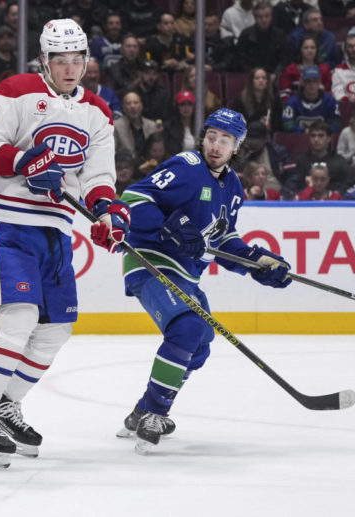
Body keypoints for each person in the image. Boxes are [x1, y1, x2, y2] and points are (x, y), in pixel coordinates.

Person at [0, 19, 126, 468]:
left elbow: (97, 176)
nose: (70, 68)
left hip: (55, 229)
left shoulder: (97, 111)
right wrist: (23, 161)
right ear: (45, 60)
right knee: (18, 318)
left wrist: (108, 211)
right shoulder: (17, 89)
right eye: (61, 60)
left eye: (78, 59)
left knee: (55, 328)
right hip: (6, 223)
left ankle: (6, 406)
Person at [116, 108, 293, 454]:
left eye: (225, 140)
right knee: (187, 330)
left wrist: (258, 262)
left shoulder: (234, 187)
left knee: (200, 344)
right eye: (211, 137)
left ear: (236, 147)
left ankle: (142, 409)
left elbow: (223, 241)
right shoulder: (187, 167)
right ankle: (155, 412)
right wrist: (169, 228)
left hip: (185, 273)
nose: (215, 145)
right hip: (151, 260)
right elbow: (133, 199)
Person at [287, 120, 352, 197]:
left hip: (332, 203)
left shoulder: (339, 161)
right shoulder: (301, 160)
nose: (316, 139)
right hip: (307, 203)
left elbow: (349, 183)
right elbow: (294, 186)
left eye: (321, 136)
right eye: (313, 136)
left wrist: (337, 193)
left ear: (329, 138)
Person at [282, 65, 340, 134]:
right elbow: (287, 124)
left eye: (315, 81)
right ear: (303, 82)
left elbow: (336, 123)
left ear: (319, 82)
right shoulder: (291, 102)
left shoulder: (330, 101)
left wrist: (323, 131)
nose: (311, 84)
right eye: (308, 81)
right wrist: (303, 131)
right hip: (299, 140)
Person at [236, 2, 288, 76]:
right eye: (260, 17)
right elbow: (240, 60)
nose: (264, 20)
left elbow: (284, 59)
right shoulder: (246, 35)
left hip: (274, 76)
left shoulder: (280, 35)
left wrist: (276, 74)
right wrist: (253, 75)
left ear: (271, 17)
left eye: (267, 16)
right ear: (254, 17)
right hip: (251, 76)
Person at [279, 34, 332, 102]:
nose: (309, 50)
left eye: (312, 47)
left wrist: (320, 91)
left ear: (316, 50)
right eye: (306, 48)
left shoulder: (324, 69)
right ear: (300, 50)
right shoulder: (290, 69)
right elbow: (284, 94)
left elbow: (330, 92)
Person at [230, 67, 282, 132]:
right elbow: (235, 123)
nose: (261, 80)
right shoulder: (240, 100)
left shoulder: (274, 99)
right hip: (246, 136)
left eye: (264, 78)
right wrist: (257, 125)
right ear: (251, 81)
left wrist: (270, 125)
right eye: (257, 78)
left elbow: (278, 123)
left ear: (267, 81)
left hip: (267, 135)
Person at [114, 91, 158, 161]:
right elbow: (113, 151)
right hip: (127, 165)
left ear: (141, 106)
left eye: (136, 103)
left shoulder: (152, 125)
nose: (132, 106)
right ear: (123, 108)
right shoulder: (116, 126)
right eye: (128, 103)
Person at [164, 90, 197, 155]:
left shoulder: (200, 125)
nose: (186, 108)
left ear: (194, 107)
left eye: (189, 104)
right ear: (177, 107)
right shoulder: (170, 127)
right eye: (182, 104)